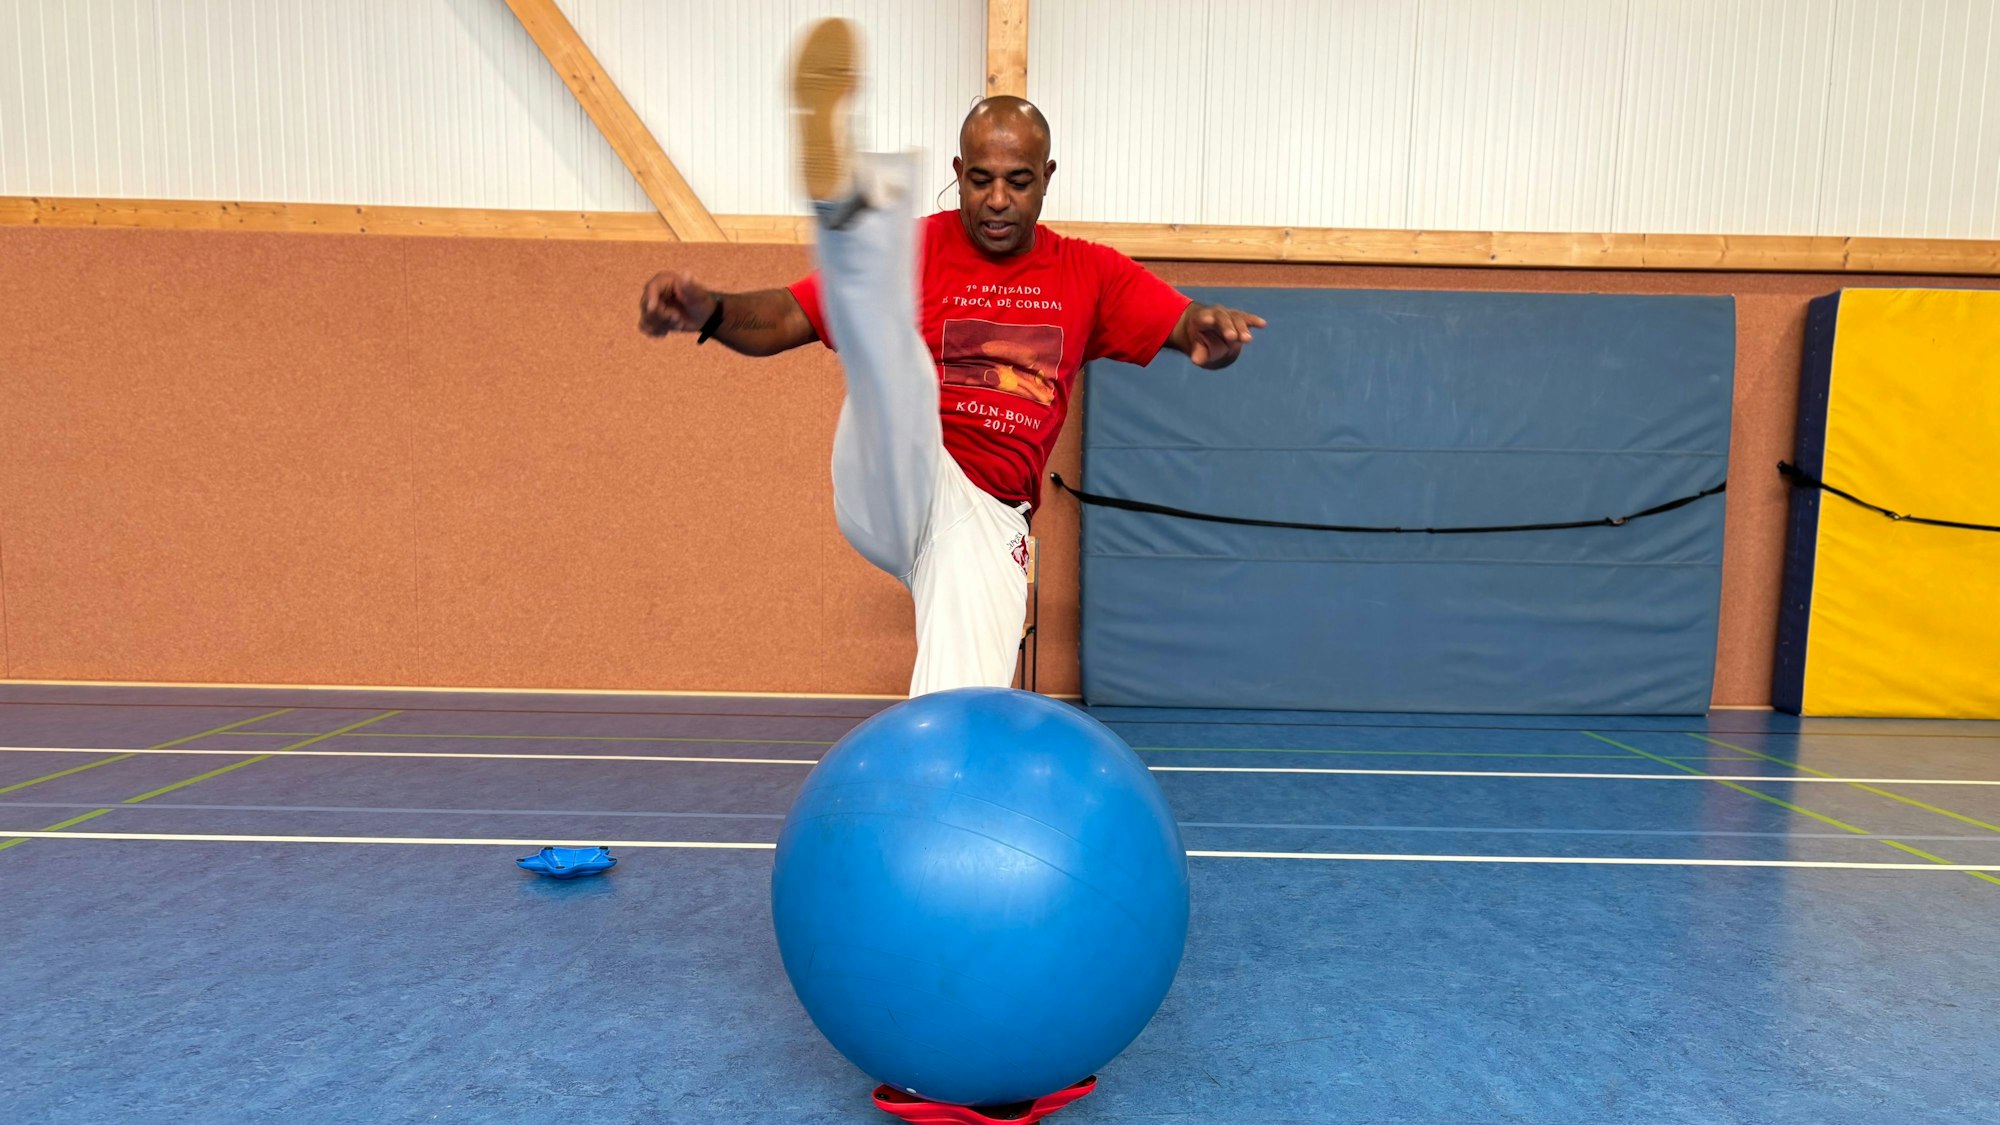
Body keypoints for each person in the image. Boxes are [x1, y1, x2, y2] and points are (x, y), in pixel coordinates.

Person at [640, 18, 1264, 698]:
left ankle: (936, 791)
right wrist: (710, 310)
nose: (998, 200)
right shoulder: (918, 251)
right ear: (958, 174)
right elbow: (789, 315)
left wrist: (1210, 334)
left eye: (1019, 182)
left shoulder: (1091, 274)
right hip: (899, 470)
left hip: (989, 518)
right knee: (891, 352)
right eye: (983, 180)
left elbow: (1185, 329)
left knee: (963, 701)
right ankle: (846, 210)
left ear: (1048, 178)